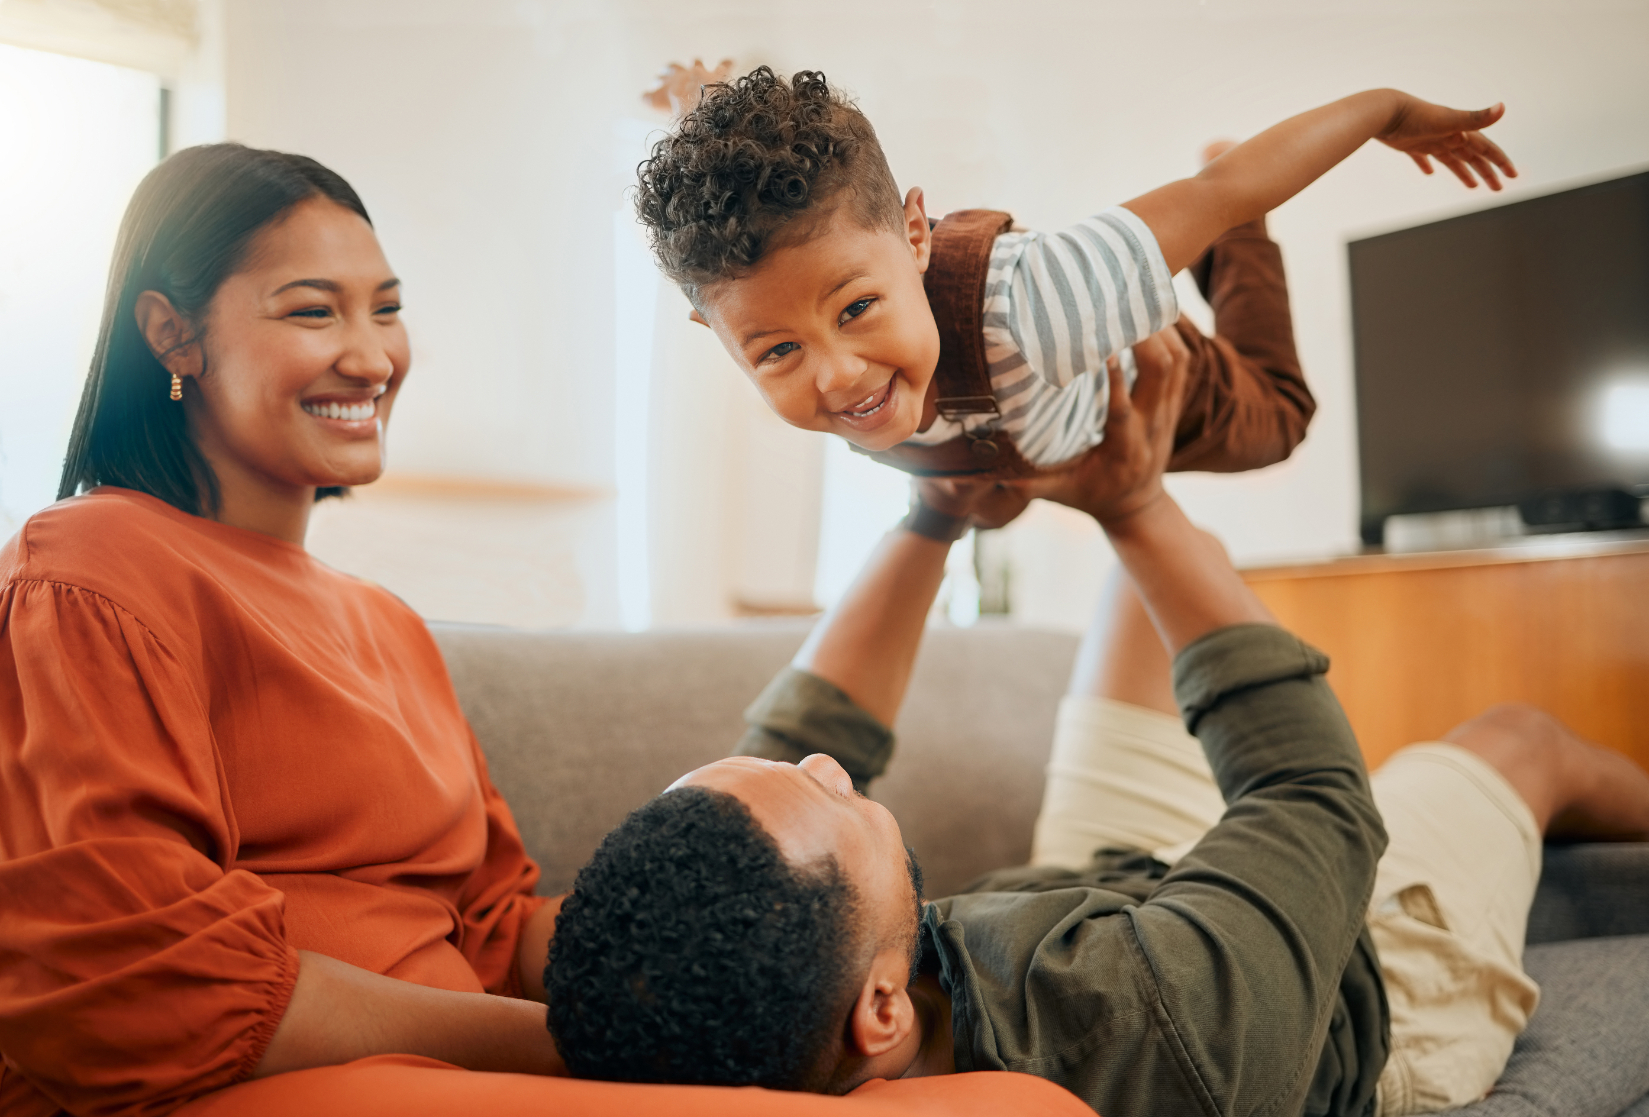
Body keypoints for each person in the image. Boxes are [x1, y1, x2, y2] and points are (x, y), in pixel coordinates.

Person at [0, 141, 1080, 1117]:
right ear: (171, 332)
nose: (372, 356)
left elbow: (498, 926)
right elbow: (137, 975)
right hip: (254, 1077)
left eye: (386, 308)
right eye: (312, 311)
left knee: (1018, 1099)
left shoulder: (384, 627)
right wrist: (576, 1047)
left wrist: (792, 958)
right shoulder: (90, 567)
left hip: (459, 1066)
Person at [545, 328, 1649, 1116]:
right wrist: (1131, 502)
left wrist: (934, 515)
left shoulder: (807, 1000)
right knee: (1517, 740)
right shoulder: (1163, 1029)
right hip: (1350, 991)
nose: (831, 767)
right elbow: (1312, 793)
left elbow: (790, 751)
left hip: (1085, 902)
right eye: (830, 802)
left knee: (1154, 586)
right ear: (879, 1012)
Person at [632, 67, 1515, 484]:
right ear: (719, 338)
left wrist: (1384, 110)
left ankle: (1234, 248)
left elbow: (1225, 186)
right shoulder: (766, 297)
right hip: (1018, 436)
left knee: (1282, 418)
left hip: (1160, 382)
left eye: (858, 307)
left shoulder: (1033, 302)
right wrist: (698, 102)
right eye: (776, 351)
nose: (837, 372)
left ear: (913, 236)